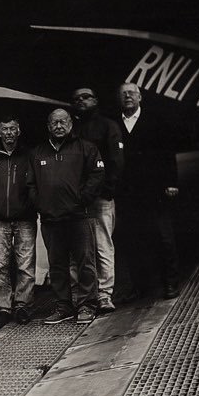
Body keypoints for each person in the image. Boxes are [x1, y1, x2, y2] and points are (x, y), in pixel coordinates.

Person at [27, 109, 105, 324]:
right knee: (57, 266)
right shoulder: (37, 152)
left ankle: (87, 306)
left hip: (79, 217)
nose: (59, 126)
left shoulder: (85, 148)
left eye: (63, 122)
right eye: (54, 123)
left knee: (85, 263)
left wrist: (82, 199)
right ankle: (64, 307)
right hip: (51, 220)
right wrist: (41, 204)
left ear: (70, 124)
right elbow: (30, 184)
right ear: (48, 126)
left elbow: (97, 175)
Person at [115, 83, 180, 299]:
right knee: (133, 240)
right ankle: (140, 286)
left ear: (140, 97)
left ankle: (170, 283)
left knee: (164, 238)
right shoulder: (115, 125)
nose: (128, 96)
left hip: (155, 191)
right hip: (128, 194)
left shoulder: (156, 121)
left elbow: (167, 153)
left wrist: (172, 182)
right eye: (124, 94)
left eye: (131, 93)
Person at [71, 87, 124, 312]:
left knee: (102, 246)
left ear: (96, 100)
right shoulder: (72, 128)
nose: (81, 101)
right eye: (77, 98)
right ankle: (83, 296)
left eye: (86, 97)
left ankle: (104, 295)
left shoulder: (108, 125)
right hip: (77, 200)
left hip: (100, 198)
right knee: (79, 249)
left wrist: (108, 190)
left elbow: (116, 160)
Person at [0, 118, 36, 325]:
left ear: (19, 130)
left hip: (24, 218)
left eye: (13, 128)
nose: (9, 133)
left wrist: (31, 205)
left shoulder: (29, 155)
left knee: (25, 265)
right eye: (5, 129)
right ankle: (3, 306)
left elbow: (35, 184)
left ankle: (23, 305)